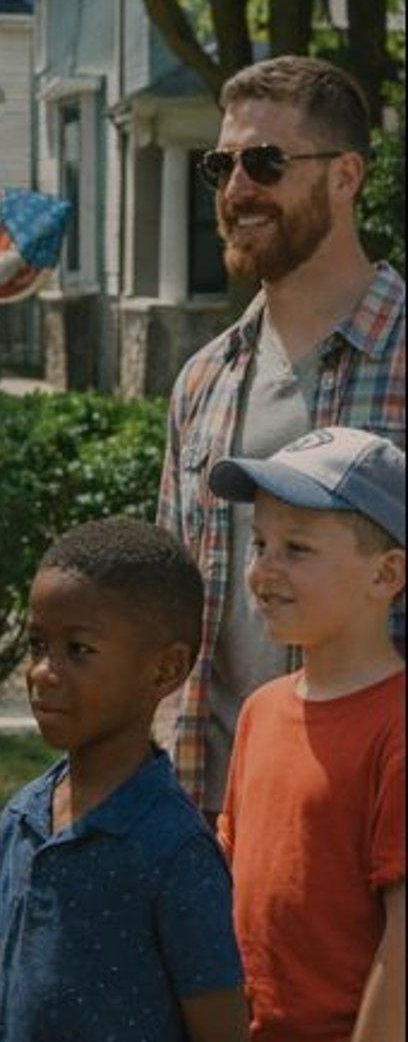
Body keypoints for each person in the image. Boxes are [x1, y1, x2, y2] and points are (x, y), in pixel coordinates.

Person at [157, 54, 404, 817]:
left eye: (265, 162)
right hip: (208, 811)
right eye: (221, 165)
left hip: (372, 829)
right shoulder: (203, 379)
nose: (236, 190)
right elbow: (169, 601)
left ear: (345, 176)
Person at [0, 518, 251, 1042]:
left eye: (78, 650)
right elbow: (8, 1021)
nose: (43, 671)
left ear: (164, 671)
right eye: (36, 643)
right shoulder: (23, 820)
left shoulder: (172, 848)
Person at [208, 427, 405, 1042]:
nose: (263, 569)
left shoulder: (396, 727)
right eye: (260, 543)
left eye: (297, 548)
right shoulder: (261, 712)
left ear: (385, 575)